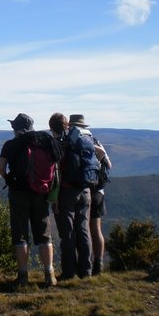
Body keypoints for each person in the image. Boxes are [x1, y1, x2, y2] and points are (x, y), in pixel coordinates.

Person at [0, 113, 58, 287]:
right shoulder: (45, 142)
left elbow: (1, 167)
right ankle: (50, 275)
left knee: (20, 235)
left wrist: (9, 178)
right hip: (41, 191)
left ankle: (23, 276)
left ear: (15, 128)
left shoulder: (11, 145)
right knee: (44, 235)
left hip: (18, 193)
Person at [68, 114, 113, 275]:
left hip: (81, 189)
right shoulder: (94, 140)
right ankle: (98, 265)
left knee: (80, 230)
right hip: (98, 190)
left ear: (70, 126)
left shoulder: (72, 140)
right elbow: (109, 164)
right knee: (96, 228)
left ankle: (81, 267)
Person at [51, 113, 93, 280]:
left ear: (52, 128)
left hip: (67, 192)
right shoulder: (83, 140)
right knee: (83, 230)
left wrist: (54, 199)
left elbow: (56, 174)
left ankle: (69, 273)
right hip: (85, 190)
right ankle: (86, 271)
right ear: (67, 125)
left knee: (67, 233)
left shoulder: (60, 145)